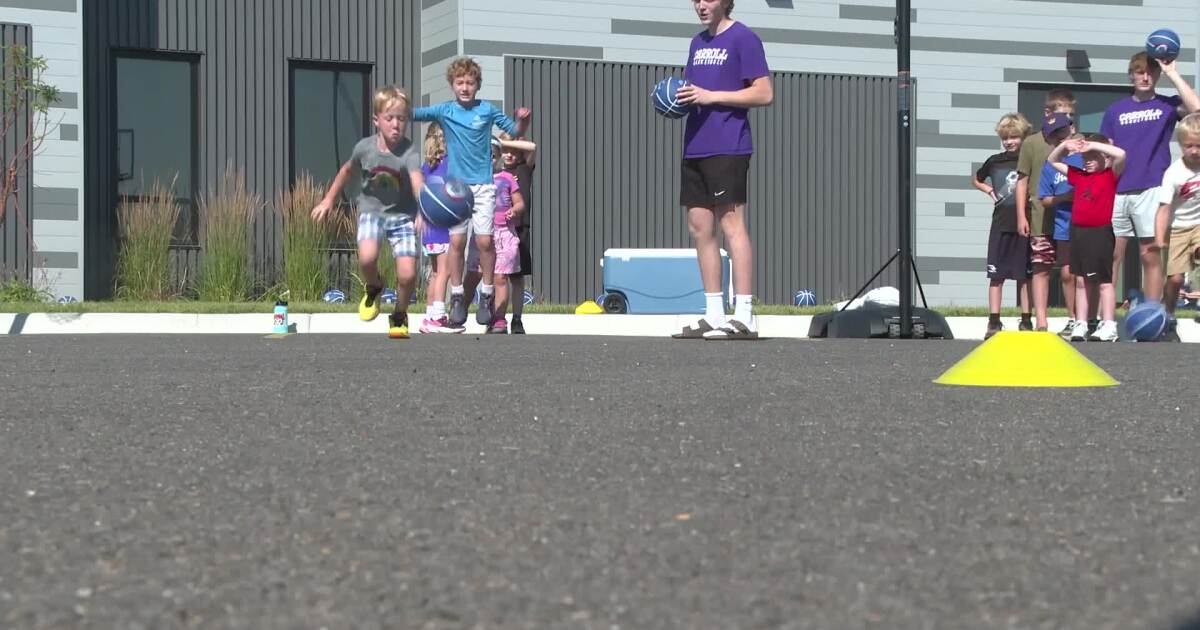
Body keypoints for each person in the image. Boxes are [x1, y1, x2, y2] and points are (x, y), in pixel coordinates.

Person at [670, 0, 772, 340]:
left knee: (731, 223)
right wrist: (675, 99)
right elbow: (696, 93)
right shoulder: (697, 43)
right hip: (696, 144)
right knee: (700, 225)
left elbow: (764, 93)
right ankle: (714, 314)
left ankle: (744, 316)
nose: (701, 5)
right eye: (696, 0)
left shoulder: (744, 38)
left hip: (729, 145)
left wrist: (711, 96)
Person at [412, 57, 530, 328]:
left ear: (477, 85)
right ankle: (457, 297)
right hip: (456, 188)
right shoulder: (445, 111)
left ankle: (486, 294)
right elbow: (415, 113)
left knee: (486, 242)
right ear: (452, 85)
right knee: (456, 243)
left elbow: (514, 131)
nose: (465, 87)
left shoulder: (486, 110)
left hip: (483, 185)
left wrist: (522, 122)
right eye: (460, 83)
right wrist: (392, 110)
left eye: (470, 82)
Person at [311, 85, 423, 339]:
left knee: (408, 274)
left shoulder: (409, 152)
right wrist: (328, 200)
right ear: (376, 121)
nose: (396, 125)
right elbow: (346, 171)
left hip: (402, 215)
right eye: (389, 118)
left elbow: (418, 183)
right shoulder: (364, 148)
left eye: (402, 119)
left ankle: (400, 313)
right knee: (367, 259)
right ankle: (374, 286)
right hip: (372, 212)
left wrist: (423, 212)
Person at [1100, 52, 1200, 304]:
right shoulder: (1115, 111)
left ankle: (1153, 313)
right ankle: (1106, 317)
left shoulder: (1167, 105)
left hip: (1152, 187)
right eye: (1139, 72)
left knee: (1150, 253)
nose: (1145, 77)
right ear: (1131, 75)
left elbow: (1197, 109)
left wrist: (1171, 72)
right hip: (1118, 189)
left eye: (1150, 72)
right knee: (1112, 254)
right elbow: (1107, 152)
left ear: (1156, 75)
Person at [1048, 133, 1127, 342]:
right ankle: (1081, 323)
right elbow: (1052, 160)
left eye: (1094, 157)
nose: (1088, 161)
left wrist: (1093, 145)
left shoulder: (1110, 174)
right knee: (1081, 280)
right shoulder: (1078, 175)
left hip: (1100, 232)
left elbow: (1121, 154)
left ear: (1104, 158)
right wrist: (1066, 144)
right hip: (1078, 231)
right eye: (1085, 158)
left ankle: (1109, 324)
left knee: (1103, 280)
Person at [1015, 89, 1076, 332]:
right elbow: (1022, 180)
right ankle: (1041, 320)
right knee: (1041, 267)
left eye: (1072, 116)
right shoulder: (1031, 142)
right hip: (1040, 215)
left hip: (1070, 217)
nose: (1068, 122)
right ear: (1048, 114)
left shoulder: (1077, 140)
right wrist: (1021, 215)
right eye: (1063, 116)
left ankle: (1075, 318)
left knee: (1069, 270)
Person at [972, 113, 1031, 339]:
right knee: (996, 276)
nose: (1009, 141)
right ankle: (994, 321)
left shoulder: (1028, 160)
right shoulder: (995, 161)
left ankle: (1026, 320)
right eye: (1005, 137)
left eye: (1014, 137)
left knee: (1024, 276)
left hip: (1024, 222)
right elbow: (976, 178)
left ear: (1023, 137)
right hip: (1000, 223)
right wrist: (989, 191)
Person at [1039, 138, 1096, 338]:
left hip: (1089, 221)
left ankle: (1090, 318)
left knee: (1089, 272)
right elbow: (1044, 199)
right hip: (1064, 224)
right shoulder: (1050, 165)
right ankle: (1072, 318)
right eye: (1058, 137)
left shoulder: (1086, 160)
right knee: (1066, 273)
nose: (1065, 141)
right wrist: (1065, 197)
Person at [1153, 113, 1200, 341]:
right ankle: (1169, 315)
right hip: (1179, 228)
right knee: (1175, 279)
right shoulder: (1173, 173)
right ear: (1181, 145)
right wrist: (1159, 238)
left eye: (1199, 146)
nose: (1194, 151)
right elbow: (1163, 208)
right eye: (1189, 146)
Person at [418, 122, 464, 334]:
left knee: (435, 273)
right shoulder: (448, 165)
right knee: (444, 270)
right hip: (442, 224)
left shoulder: (426, 166)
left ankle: (429, 316)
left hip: (428, 227)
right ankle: (437, 316)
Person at [499, 132, 538, 334]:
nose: (509, 154)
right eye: (505, 151)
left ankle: (517, 318)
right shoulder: (496, 172)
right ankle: (498, 318)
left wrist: (505, 141)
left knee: (517, 277)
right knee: (499, 278)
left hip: (520, 229)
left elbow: (533, 147)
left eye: (514, 151)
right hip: (499, 230)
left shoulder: (524, 169)